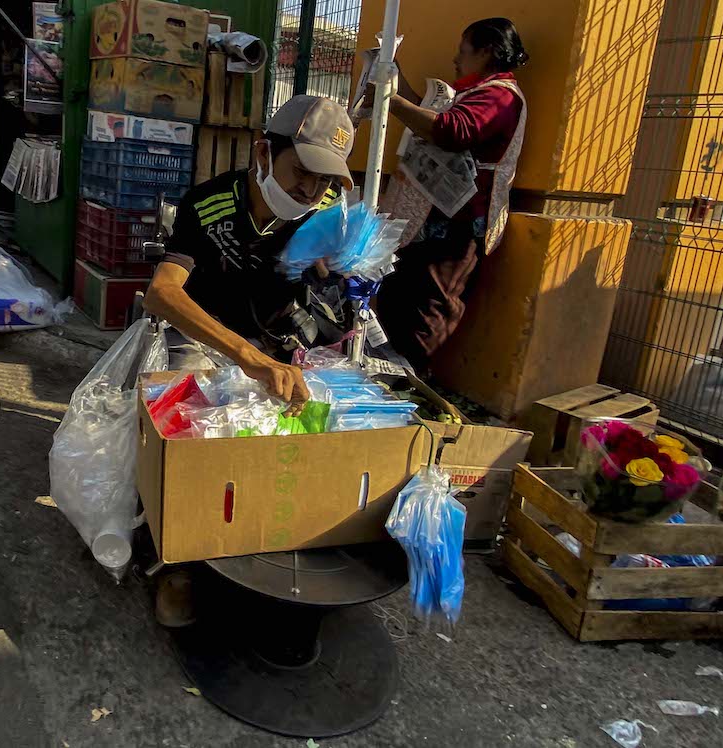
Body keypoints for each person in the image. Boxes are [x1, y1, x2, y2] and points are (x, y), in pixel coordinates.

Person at [141, 95, 354, 626]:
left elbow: (334, 297)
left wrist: (344, 277)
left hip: (280, 346)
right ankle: (175, 559)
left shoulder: (327, 216)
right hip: (203, 339)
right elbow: (162, 293)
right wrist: (247, 358)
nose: (311, 191)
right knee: (187, 429)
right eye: (302, 172)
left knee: (312, 426)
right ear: (264, 153)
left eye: (325, 180)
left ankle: (265, 535)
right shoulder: (209, 205)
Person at [373, 18, 529, 370]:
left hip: (458, 224)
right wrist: (391, 78)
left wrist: (390, 102)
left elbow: (452, 131)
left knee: (429, 303)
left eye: (463, 50)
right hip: (432, 220)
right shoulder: (473, 93)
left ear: (487, 51)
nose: (456, 59)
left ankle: (411, 375)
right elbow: (427, 116)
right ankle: (392, 370)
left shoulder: (501, 96)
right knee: (401, 289)